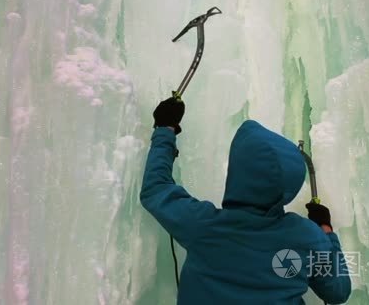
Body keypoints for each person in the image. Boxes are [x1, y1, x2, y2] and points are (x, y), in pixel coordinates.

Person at [141, 97, 352, 304]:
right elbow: (338, 292)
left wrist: (165, 130)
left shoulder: (202, 225)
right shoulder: (306, 237)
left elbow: (156, 189)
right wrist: (325, 229)